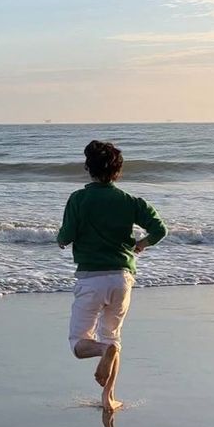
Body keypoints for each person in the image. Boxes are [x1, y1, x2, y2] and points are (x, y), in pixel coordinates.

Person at [57, 140, 167, 411]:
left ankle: (104, 352)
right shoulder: (129, 201)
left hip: (91, 279)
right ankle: (108, 398)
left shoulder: (79, 199)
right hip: (122, 277)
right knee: (113, 336)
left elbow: (67, 235)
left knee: (78, 342)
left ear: (88, 168)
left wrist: (61, 240)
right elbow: (159, 229)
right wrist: (141, 244)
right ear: (117, 171)